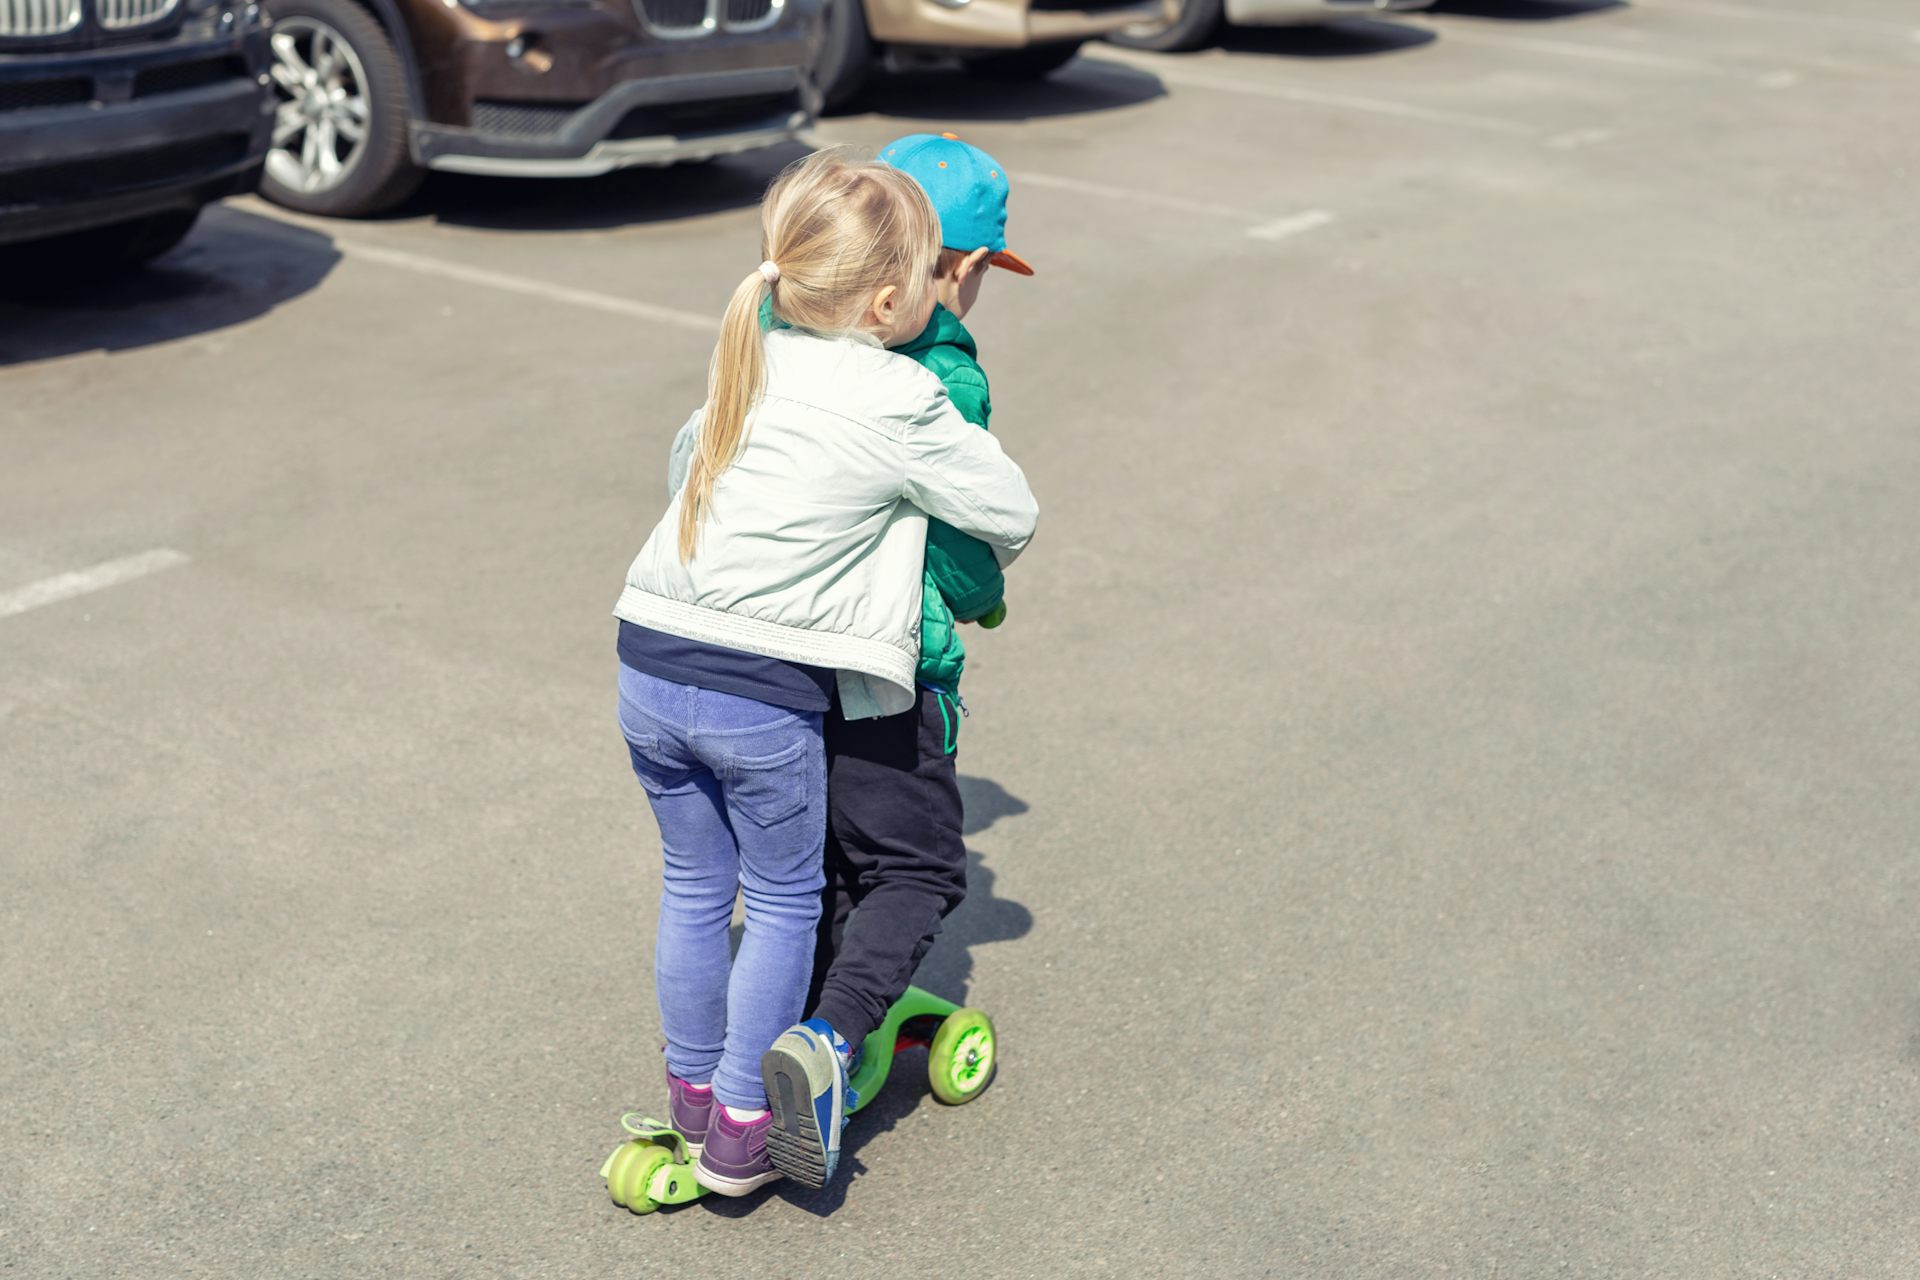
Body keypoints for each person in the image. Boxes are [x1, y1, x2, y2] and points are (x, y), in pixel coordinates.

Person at [614, 146, 1039, 1197]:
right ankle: (759, 1113)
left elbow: (685, 473)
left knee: (695, 886)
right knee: (791, 891)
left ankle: (694, 1099)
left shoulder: (745, 355)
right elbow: (1007, 515)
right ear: (896, 292)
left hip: (647, 654)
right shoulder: (900, 389)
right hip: (770, 683)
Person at [755, 133, 1033, 1191]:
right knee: (916, 865)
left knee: (823, 857)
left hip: (775, 655)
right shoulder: (944, 371)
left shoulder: (783, 337)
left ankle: (777, 1033)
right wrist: (983, 593)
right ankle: (831, 1037)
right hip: (884, 657)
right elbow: (960, 533)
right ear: (956, 268)